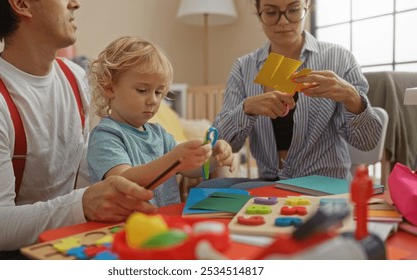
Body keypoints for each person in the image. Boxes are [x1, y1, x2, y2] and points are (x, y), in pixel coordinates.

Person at [0, 0, 156, 259]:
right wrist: (82, 204)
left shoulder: (76, 78)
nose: (75, 3)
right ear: (21, 4)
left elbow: (84, 175)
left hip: (63, 232)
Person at [211, 0, 382, 186]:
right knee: (208, 189)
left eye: (293, 10)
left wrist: (352, 97)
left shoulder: (339, 59)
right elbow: (222, 143)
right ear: (258, 12)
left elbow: (367, 142)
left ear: (307, 6)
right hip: (270, 187)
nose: (283, 21)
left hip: (327, 184)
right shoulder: (244, 68)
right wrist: (246, 108)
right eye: (270, 12)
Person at [87, 36, 236, 206]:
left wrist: (213, 157)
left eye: (158, 92)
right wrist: (174, 159)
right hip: (126, 225)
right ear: (110, 88)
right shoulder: (106, 135)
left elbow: (190, 169)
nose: (153, 100)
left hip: (163, 222)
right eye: (142, 90)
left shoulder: (159, 134)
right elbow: (122, 181)